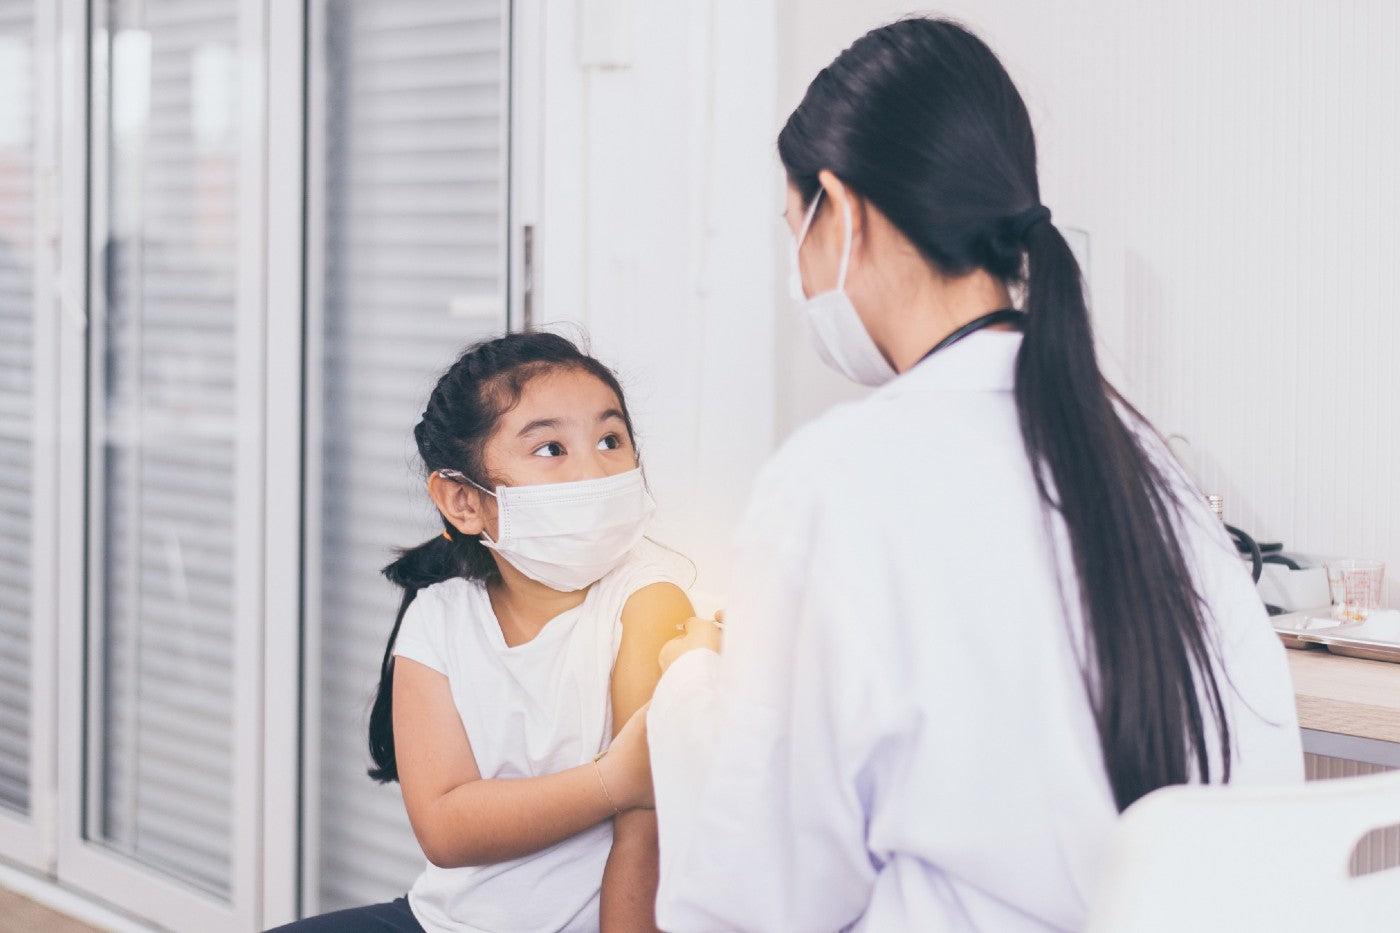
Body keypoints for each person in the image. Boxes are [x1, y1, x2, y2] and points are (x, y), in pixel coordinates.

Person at [602, 17, 1303, 932]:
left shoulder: (836, 482)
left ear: (840, 212)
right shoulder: (1152, 472)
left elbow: (755, 902)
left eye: (795, 231)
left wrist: (697, 695)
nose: (799, 270)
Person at [271, 332, 689, 932]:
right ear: (463, 501)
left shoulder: (646, 602)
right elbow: (445, 828)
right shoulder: (439, 614)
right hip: (439, 921)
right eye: (551, 448)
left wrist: (628, 789)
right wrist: (609, 780)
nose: (595, 470)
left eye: (610, 439)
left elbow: (643, 839)